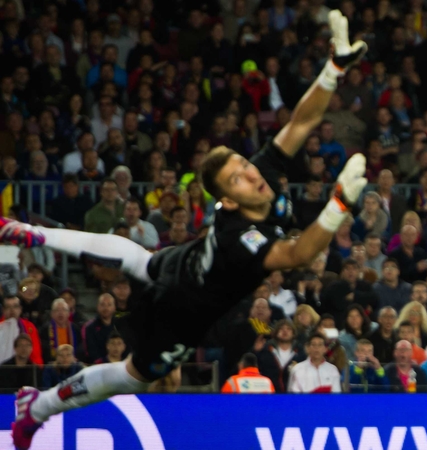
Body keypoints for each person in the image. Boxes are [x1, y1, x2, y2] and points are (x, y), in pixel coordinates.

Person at [5, 11, 367, 449]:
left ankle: (27, 231)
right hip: (182, 313)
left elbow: (301, 122)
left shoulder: (261, 176)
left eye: (245, 166)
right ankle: (37, 407)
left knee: (140, 258)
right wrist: (337, 207)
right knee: (135, 375)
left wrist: (334, 68)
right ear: (228, 201)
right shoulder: (240, 239)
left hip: (182, 261)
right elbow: (297, 255)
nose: (252, 175)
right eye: (238, 178)